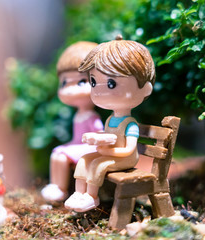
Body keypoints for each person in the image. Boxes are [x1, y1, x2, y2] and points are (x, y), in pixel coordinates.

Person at [64, 35, 156, 212]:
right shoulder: (109, 119)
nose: (99, 91)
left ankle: (92, 196)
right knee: (84, 159)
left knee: (98, 164)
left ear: (145, 89)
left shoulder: (130, 125)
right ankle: (79, 192)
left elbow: (129, 150)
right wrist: (96, 138)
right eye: (93, 82)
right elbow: (109, 136)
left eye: (111, 83)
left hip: (125, 159)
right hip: (110, 154)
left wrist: (107, 151)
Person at [41, 41, 103, 202]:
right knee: (57, 153)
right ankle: (54, 185)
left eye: (82, 81)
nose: (70, 89)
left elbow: (99, 136)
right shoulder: (78, 115)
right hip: (77, 145)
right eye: (64, 83)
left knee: (61, 156)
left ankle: (60, 188)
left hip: (91, 148)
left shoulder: (92, 116)